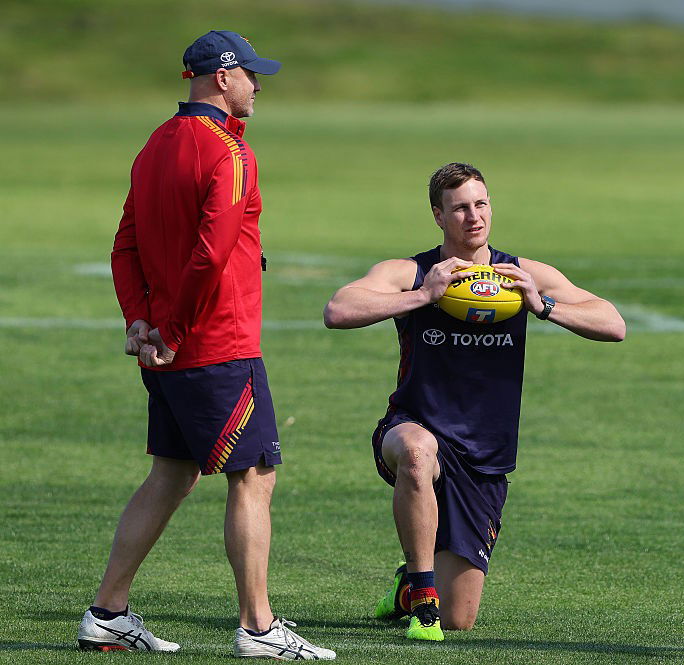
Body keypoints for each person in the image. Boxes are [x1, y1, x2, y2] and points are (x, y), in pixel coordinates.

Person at [77, 31, 335, 660]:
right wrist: (170, 326)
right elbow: (211, 252)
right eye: (251, 74)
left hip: (168, 348)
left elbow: (124, 245)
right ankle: (258, 627)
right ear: (222, 78)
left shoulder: (154, 145)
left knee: (171, 472)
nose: (258, 85)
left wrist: (140, 321)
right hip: (215, 343)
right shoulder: (229, 154)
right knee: (253, 475)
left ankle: (107, 613)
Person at [323, 162, 625, 641]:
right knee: (418, 454)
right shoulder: (412, 271)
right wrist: (423, 296)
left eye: (481, 204)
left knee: (460, 618)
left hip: (485, 454)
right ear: (438, 216)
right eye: (459, 208)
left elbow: (613, 323)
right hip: (414, 426)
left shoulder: (522, 273)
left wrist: (542, 306)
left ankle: (408, 587)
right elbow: (338, 310)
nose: (473, 216)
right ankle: (422, 597)